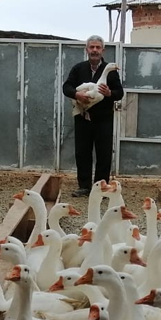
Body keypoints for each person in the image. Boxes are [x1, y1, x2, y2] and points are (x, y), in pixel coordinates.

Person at [62, 35, 124, 198]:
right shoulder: (78, 68)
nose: (94, 50)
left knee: (103, 153)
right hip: (83, 117)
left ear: (103, 50)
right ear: (87, 49)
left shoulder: (110, 73)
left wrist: (110, 93)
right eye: (92, 47)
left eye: (98, 47)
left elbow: (120, 92)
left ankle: (101, 187)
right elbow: (66, 87)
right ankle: (84, 186)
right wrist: (77, 94)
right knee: (82, 152)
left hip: (103, 118)